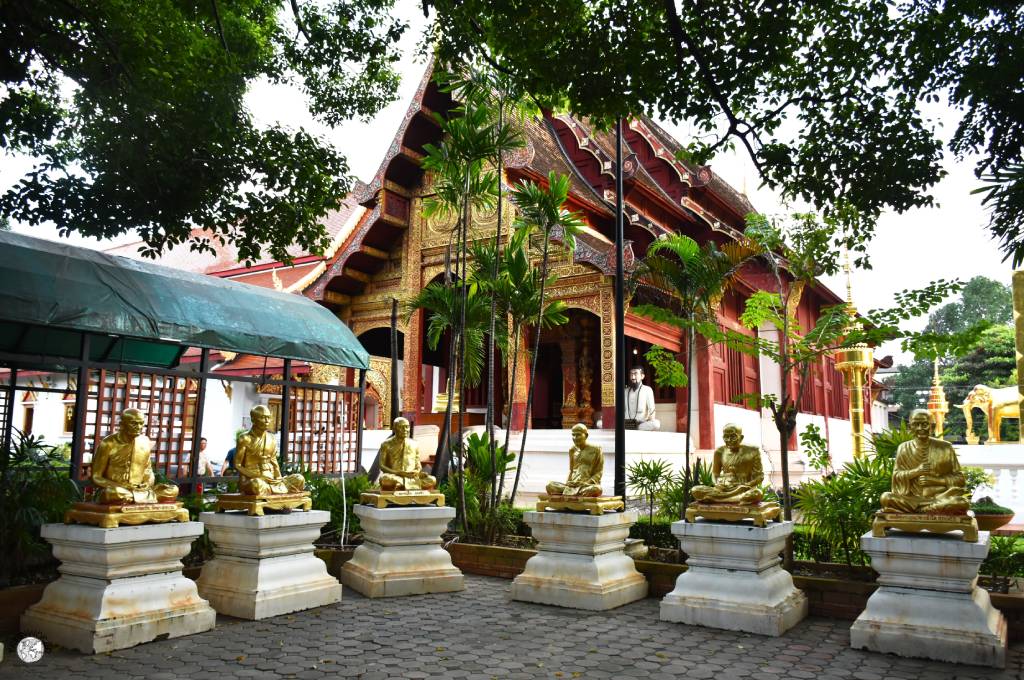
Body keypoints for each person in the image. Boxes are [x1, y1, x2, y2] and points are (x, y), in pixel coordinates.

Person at [880, 409, 970, 514]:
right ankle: (927, 511)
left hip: (939, 497)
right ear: (910, 427)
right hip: (911, 499)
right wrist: (916, 472)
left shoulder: (945, 447)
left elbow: (959, 479)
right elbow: (897, 476)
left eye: (924, 424)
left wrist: (936, 481)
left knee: (960, 502)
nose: (920, 428)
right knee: (886, 498)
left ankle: (919, 511)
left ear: (932, 427)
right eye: (916, 424)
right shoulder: (903, 448)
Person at [91, 408, 179, 504]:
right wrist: (123, 486)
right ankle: (143, 499)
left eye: (141, 423)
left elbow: (148, 471)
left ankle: (135, 499)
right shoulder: (108, 443)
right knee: (113, 494)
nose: (139, 427)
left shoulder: (144, 442)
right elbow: (96, 477)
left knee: (173, 490)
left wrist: (147, 483)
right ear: (122, 425)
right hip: (119, 489)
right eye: (134, 423)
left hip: (139, 490)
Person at [235, 404, 306, 496]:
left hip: (271, 479)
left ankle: (274, 491)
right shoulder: (245, 439)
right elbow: (238, 465)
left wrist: (278, 478)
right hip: (254, 479)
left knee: (299, 479)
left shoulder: (271, 438)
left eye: (268, 418)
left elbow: (273, 461)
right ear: (253, 419)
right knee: (256, 485)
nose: (267, 421)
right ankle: (276, 491)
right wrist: (258, 476)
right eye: (263, 418)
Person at [691, 423, 765, 504]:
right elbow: (715, 474)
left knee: (757, 494)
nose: (729, 440)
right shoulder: (719, 451)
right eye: (726, 437)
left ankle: (717, 499)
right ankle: (732, 499)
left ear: (741, 437)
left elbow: (760, 476)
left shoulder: (752, 451)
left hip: (744, 489)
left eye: (733, 437)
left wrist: (747, 485)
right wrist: (717, 484)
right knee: (695, 490)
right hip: (724, 489)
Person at [376, 417, 436, 491]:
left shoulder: (414, 444)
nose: (405, 430)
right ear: (394, 429)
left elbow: (418, 465)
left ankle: (401, 486)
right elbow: (382, 465)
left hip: (411, 477)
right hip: (395, 476)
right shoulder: (386, 444)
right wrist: (398, 473)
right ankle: (407, 486)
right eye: (401, 427)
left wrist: (416, 472)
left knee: (432, 480)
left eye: (407, 427)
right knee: (385, 479)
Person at [545, 423, 603, 497]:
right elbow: (571, 470)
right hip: (572, 485)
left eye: (578, 435)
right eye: (573, 435)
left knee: (597, 489)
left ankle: (572, 494)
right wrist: (568, 483)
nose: (575, 438)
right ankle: (572, 493)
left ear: (586, 435)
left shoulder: (596, 449)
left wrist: (587, 482)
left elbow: (599, 472)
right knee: (550, 486)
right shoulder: (572, 450)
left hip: (586, 485)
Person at [624, 366, 660, 431]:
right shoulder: (625, 391)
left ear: (642, 376)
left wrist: (651, 419)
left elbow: (652, 410)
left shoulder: (647, 390)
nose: (633, 377)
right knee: (600, 423)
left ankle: (634, 428)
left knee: (656, 424)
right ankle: (629, 427)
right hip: (626, 423)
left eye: (635, 373)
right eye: (631, 374)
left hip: (640, 424)